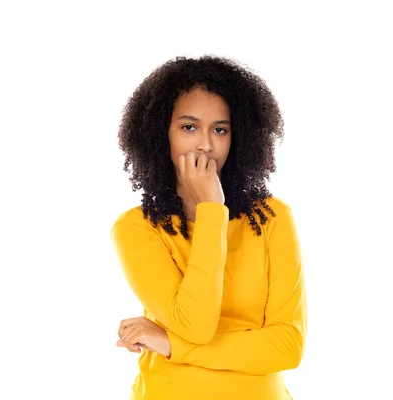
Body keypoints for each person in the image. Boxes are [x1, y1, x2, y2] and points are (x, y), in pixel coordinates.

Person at [110, 55, 306, 400]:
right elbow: (195, 326)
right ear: (161, 135)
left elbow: (287, 347)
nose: (206, 144)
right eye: (188, 127)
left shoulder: (273, 218)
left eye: (220, 129)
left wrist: (171, 344)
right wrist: (212, 211)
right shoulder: (137, 228)